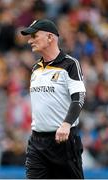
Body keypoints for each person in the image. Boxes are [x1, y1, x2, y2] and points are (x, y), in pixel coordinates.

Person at [21, 19, 86, 179]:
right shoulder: (35, 68)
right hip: (36, 142)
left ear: (50, 37)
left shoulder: (70, 64)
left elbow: (79, 98)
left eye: (34, 36)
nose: (30, 40)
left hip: (63, 141)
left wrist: (66, 124)